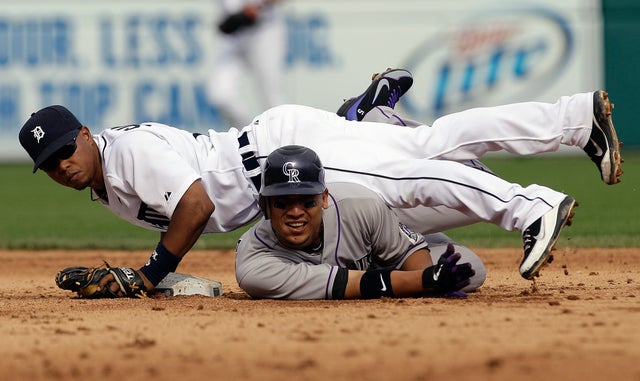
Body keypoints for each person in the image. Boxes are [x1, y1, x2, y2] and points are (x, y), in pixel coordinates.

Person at [18, 68, 621, 295]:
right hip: (276, 159)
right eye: (50, 165)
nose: (63, 164)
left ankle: (527, 205)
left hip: (280, 162)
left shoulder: (125, 154)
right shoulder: (107, 181)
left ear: (87, 135)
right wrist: (177, 284)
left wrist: (149, 274)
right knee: (430, 144)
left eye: (67, 149)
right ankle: (573, 119)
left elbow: (197, 204)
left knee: (408, 177)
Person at [235, 145, 483, 300]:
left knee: (472, 269)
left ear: (323, 198)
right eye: (282, 203)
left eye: (307, 202)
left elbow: (413, 258)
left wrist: (430, 278)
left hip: (389, 230)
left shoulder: (358, 204)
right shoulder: (255, 265)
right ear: (264, 205)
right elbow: (349, 284)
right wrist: (427, 282)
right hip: (368, 273)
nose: (296, 212)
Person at [207, 0, 287, 127]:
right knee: (221, 96)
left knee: (271, 100)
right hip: (233, 30)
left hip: (263, 30)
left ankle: (282, 141)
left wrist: (260, 6)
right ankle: (250, 137)